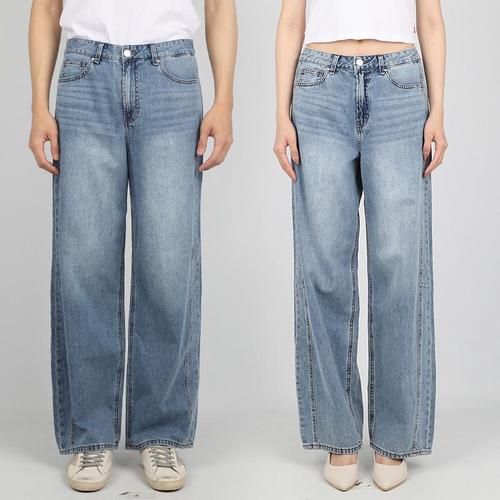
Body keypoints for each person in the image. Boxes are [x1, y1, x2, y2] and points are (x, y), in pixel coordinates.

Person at [28, 0, 236, 492]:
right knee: (85, 264)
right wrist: (38, 105)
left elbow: (219, 6)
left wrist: (224, 100)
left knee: (168, 264)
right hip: (85, 75)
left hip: (170, 77)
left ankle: (159, 431)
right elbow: (45, 7)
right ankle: (91, 432)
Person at [274, 0, 446, 491]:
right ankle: (338, 436)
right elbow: (291, 19)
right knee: (324, 265)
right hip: (319, 86)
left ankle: (395, 439)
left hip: (398, 86)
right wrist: (281, 114)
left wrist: (438, 110)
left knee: (399, 265)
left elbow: (431, 18)